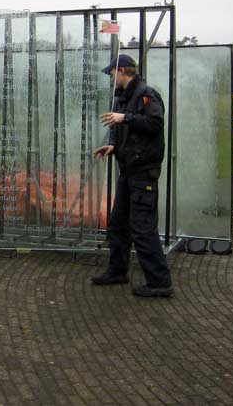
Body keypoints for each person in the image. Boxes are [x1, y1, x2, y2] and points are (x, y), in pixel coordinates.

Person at [92, 54, 174, 297]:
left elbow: (155, 124)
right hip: (127, 171)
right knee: (118, 224)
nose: (110, 77)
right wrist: (113, 146)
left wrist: (126, 117)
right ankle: (117, 271)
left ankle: (160, 283)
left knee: (142, 228)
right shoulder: (123, 98)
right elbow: (121, 130)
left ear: (125, 71)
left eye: (112, 73)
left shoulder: (147, 95)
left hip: (143, 173)